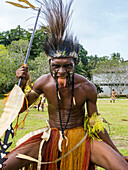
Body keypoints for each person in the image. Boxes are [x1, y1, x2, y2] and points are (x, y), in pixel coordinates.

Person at [3, 0, 128, 169]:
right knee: (4, 165)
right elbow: (19, 109)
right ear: (49, 65)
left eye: (67, 66)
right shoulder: (43, 83)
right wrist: (21, 85)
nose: (61, 72)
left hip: (81, 139)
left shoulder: (87, 87)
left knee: (121, 166)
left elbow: (95, 124)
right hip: (50, 138)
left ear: (75, 64)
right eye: (56, 66)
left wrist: (117, 153)